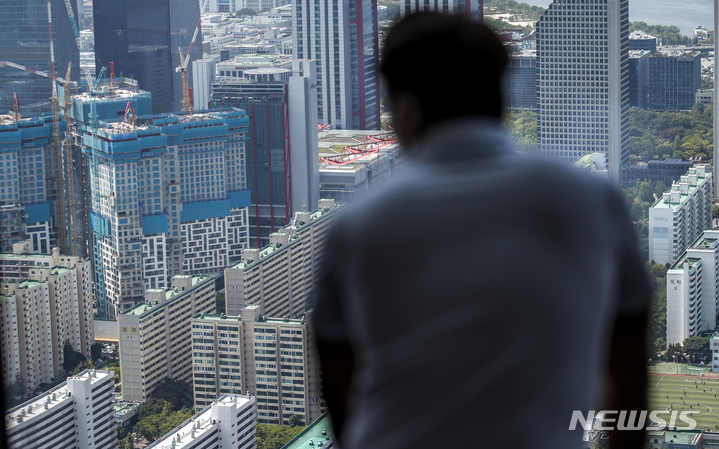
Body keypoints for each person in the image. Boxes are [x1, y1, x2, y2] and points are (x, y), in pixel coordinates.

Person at [310, 12, 651, 449]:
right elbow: (626, 367)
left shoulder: (356, 227)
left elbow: (339, 381)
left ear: (403, 107)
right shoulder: (589, 199)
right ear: (500, 94)